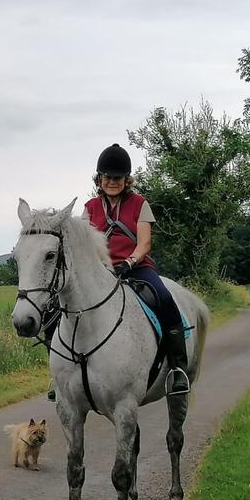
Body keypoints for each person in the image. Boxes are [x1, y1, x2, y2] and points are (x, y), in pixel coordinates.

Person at [82, 143, 191, 394]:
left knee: (164, 299)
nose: (112, 182)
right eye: (108, 177)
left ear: (126, 180)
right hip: (100, 272)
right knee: (61, 305)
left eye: (118, 178)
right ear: (99, 178)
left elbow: (144, 243)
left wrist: (129, 262)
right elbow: (84, 244)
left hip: (136, 267)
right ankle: (62, 374)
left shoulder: (140, 204)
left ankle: (178, 368)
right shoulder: (90, 208)